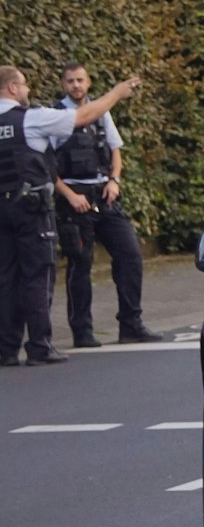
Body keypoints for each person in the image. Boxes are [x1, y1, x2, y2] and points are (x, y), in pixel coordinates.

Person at [0, 65, 140, 366]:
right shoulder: (29, 118)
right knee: (38, 274)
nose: (27, 91)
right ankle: (39, 345)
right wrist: (116, 93)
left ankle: (7, 349)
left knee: (6, 278)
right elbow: (81, 117)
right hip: (29, 209)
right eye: (23, 85)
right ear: (12, 88)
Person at [53, 64, 158, 346]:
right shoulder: (55, 117)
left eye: (80, 80)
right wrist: (69, 195)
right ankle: (82, 331)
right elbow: (46, 167)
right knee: (80, 263)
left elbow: (115, 151)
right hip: (74, 198)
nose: (76, 85)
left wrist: (115, 180)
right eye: (70, 81)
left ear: (88, 82)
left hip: (104, 195)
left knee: (130, 255)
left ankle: (131, 323)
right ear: (63, 84)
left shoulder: (101, 113)